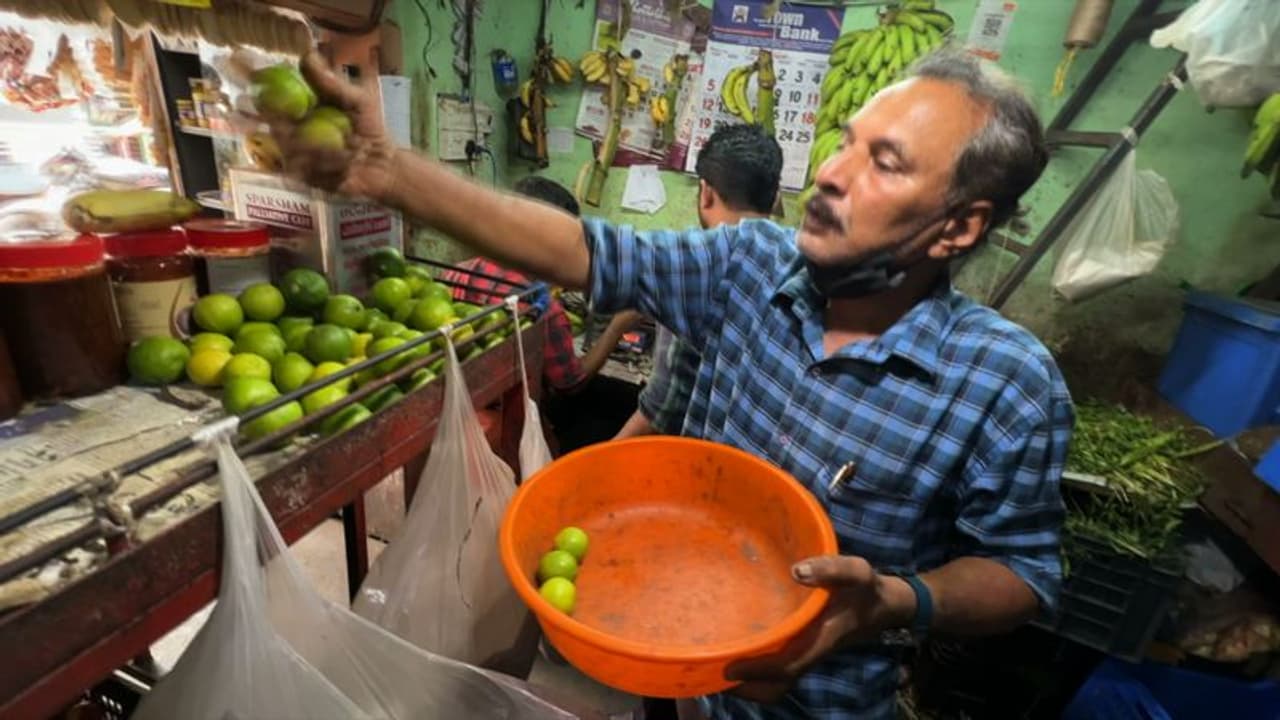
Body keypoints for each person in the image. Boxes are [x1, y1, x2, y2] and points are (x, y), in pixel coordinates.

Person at [276, 48, 1073, 720]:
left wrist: (899, 602)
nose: (831, 175)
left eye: (885, 163)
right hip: (679, 679)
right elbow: (586, 251)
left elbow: (1022, 574)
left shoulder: (1004, 382)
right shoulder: (748, 264)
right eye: (845, 145)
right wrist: (391, 172)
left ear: (960, 226)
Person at [614, 123, 782, 441]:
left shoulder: (697, 269)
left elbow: (663, 407)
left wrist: (603, 458)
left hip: (697, 452)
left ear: (705, 193)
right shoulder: (794, 267)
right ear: (775, 199)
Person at [439, 175, 641, 395]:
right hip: (508, 410)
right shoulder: (543, 311)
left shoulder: (455, 272)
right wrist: (617, 327)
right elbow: (570, 383)